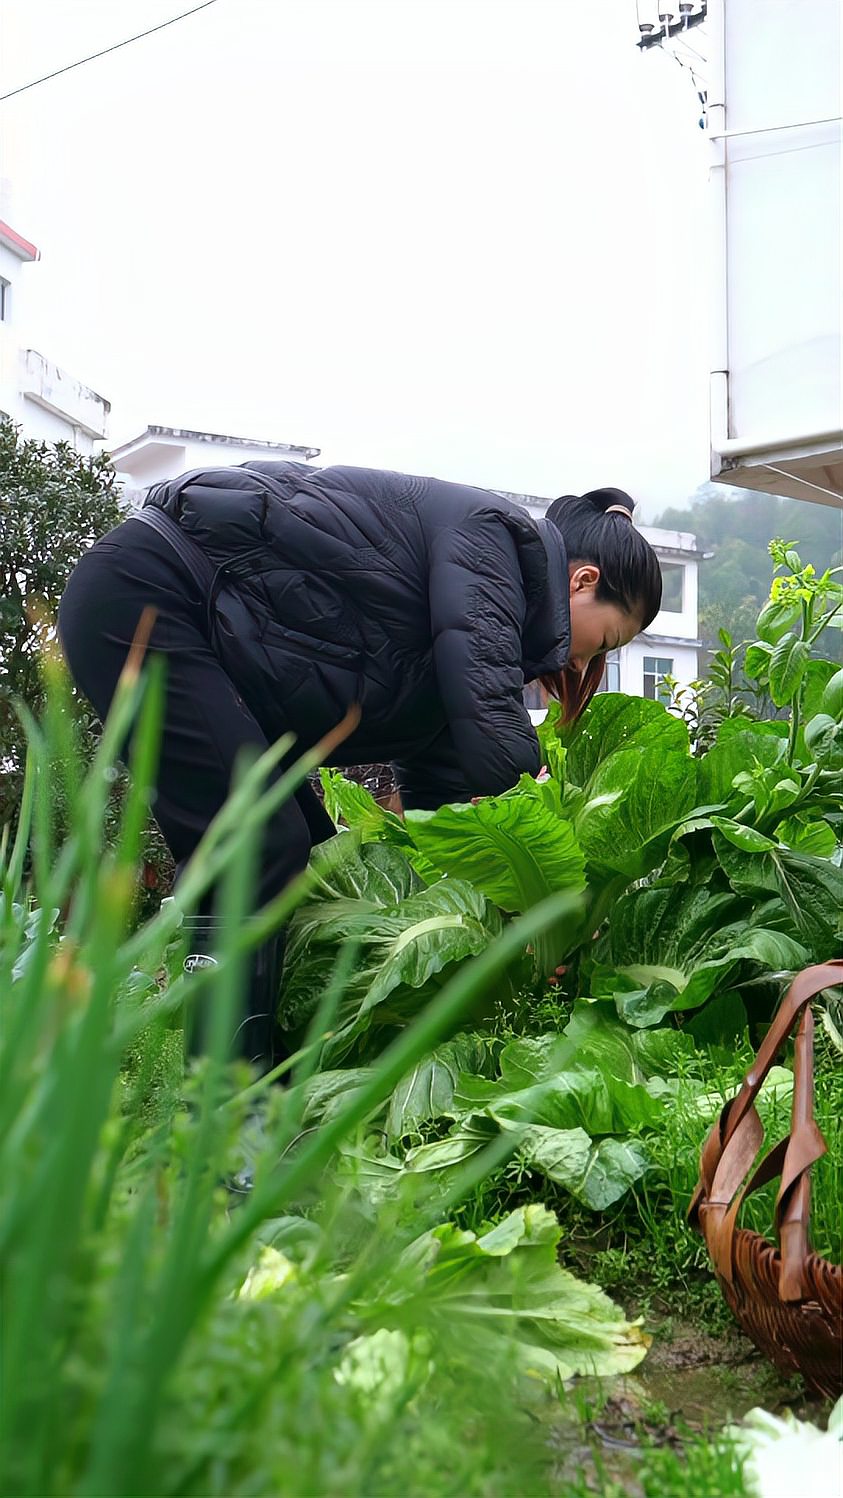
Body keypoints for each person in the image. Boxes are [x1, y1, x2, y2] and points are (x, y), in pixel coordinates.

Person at [58, 462, 662, 1066]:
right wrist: (552, 886)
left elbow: (446, 799)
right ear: (583, 582)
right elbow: (489, 725)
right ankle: (223, 1109)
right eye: (605, 643)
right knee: (256, 844)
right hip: (149, 599)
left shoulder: (468, 638)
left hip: (203, 641)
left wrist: (505, 922)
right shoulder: (493, 541)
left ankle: (284, 1086)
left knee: (323, 866)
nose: (586, 664)